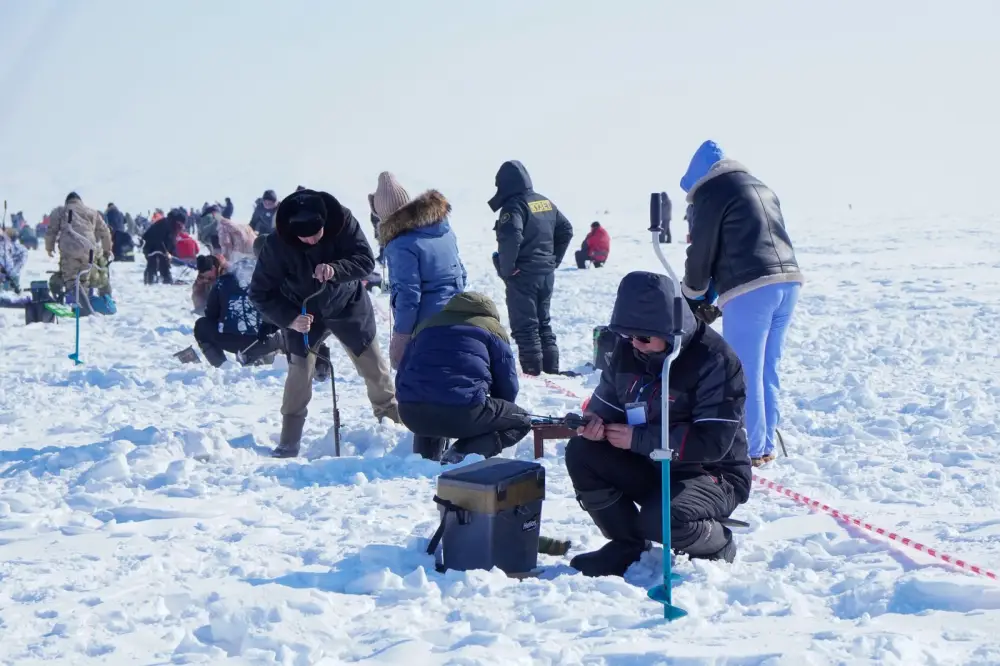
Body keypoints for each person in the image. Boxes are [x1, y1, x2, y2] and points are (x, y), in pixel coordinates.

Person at [565, 271, 751, 577]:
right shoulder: (628, 351)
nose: (634, 344)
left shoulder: (714, 359)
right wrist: (594, 424)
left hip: (712, 473)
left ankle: (717, 543)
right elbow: (607, 405)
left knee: (660, 521)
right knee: (582, 451)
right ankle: (626, 545)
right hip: (649, 463)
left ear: (668, 329)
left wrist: (638, 440)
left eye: (642, 337)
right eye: (627, 336)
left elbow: (713, 442)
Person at [679, 140, 804, 466]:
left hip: (751, 289)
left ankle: (748, 450)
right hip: (788, 281)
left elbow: (702, 251)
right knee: (767, 368)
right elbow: (747, 240)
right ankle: (763, 445)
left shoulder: (711, 192)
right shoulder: (760, 186)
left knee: (743, 371)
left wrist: (692, 293)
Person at [249, 188, 399, 458]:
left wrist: (336, 269)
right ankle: (289, 440)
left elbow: (365, 261)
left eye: (315, 234)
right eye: (302, 237)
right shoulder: (277, 244)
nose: (309, 241)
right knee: (298, 375)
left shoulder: (343, 222)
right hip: (302, 313)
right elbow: (260, 293)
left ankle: (393, 427)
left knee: (375, 368)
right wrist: (290, 319)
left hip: (348, 306)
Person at [396, 291, 531, 463]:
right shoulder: (492, 329)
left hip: (411, 413)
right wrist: (499, 413)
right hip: (463, 412)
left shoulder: (427, 325)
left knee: (429, 396)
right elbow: (507, 383)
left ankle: (425, 459)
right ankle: (462, 453)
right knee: (522, 421)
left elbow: (403, 373)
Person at [488, 160, 574, 376]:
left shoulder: (514, 206)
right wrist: (552, 260)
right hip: (545, 274)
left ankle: (534, 374)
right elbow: (566, 230)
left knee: (526, 327)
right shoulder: (544, 202)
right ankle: (551, 371)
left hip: (523, 275)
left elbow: (510, 236)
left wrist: (507, 269)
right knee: (543, 323)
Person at [373, 177, 467, 369]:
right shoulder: (442, 229)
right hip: (457, 315)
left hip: (427, 328)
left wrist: (401, 337)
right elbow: (461, 274)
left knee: (427, 384)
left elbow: (408, 295)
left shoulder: (401, 245)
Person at [194, 252, 274, 367]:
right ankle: (267, 357)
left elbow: (211, 315)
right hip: (268, 340)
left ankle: (223, 367)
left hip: (233, 341)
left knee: (202, 326)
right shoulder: (269, 279)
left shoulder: (222, 282)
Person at [44, 192, 113, 304]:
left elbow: (51, 231)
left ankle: (79, 307)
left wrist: (49, 247)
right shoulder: (92, 212)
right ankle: (85, 307)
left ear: (67, 202)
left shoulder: (60, 211)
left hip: (69, 248)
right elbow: (105, 232)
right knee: (84, 279)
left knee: (71, 280)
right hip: (89, 248)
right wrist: (107, 250)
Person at [142, 208, 185, 284]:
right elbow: (167, 241)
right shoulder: (168, 225)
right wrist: (170, 252)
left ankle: (150, 281)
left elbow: (146, 235)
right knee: (160, 266)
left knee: (154, 267)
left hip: (151, 248)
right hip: (155, 248)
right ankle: (163, 281)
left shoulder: (166, 222)